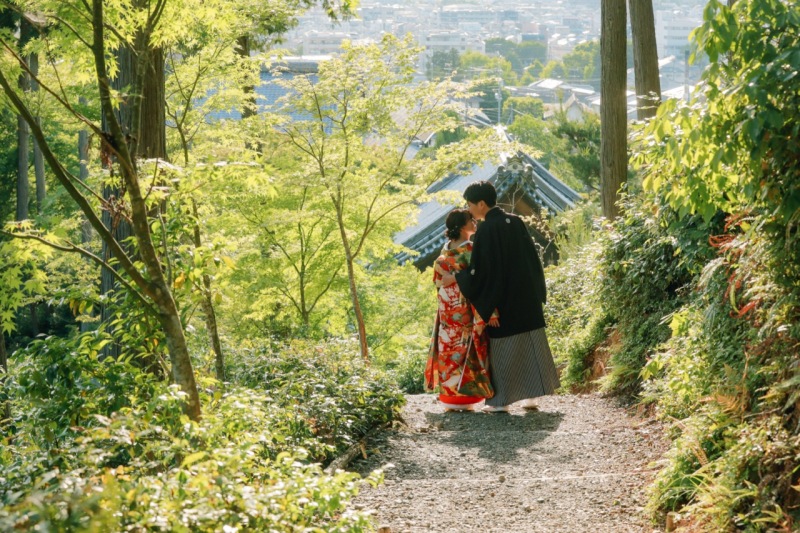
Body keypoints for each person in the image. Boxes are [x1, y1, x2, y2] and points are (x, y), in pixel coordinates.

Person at [442, 181, 560, 413]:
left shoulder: (487, 228)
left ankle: (502, 402)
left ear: (481, 204)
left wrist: (460, 278)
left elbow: (485, 270)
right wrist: (537, 291)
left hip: (504, 301)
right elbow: (531, 259)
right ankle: (532, 398)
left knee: (504, 350)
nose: (470, 208)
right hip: (526, 296)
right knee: (531, 345)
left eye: (470, 204)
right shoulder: (515, 221)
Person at [425, 208, 494, 411]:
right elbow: (480, 278)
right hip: (464, 305)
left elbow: (438, 281)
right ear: (463, 226)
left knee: (448, 347)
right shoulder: (471, 250)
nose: (475, 222)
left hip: (446, 306)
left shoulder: (445, 251)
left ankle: (450, 398)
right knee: (465, 346)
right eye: (471, 220)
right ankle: (464, 399)